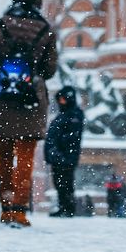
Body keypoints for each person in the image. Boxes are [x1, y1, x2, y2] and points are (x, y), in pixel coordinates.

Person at [0, 0, 57, 227]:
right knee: (25, 156)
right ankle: (20, 210)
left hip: (2, 98)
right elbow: (50, 68)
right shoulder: (45, 29)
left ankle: (5, 208)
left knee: (4, 153)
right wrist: (33, 77)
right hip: (31, 101)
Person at [44, 85, 84, 217]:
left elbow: (71, 137)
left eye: (62, 99)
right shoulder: (65, 114)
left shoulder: (73, 114)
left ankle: (68, 208)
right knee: (60, 182)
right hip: (60, 156)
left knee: (65, 183)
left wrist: (60, 150)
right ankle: (64, 207)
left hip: (65, 156)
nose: (60, 102)